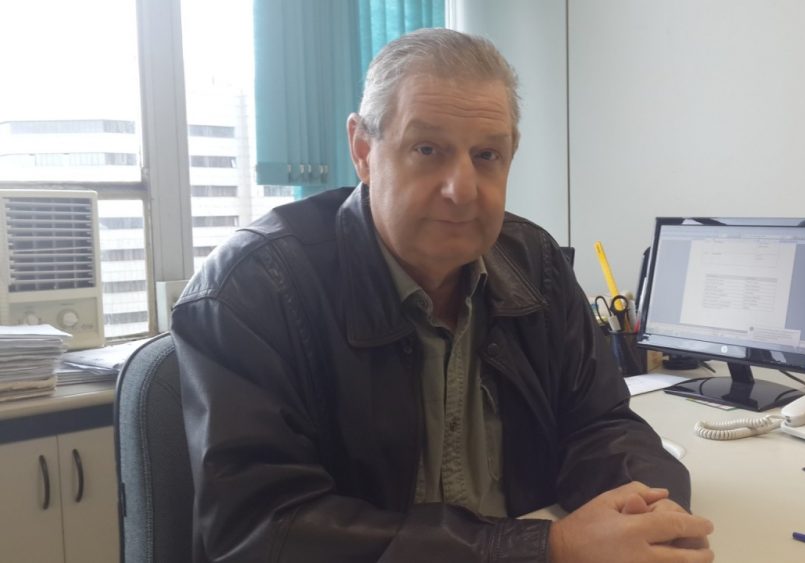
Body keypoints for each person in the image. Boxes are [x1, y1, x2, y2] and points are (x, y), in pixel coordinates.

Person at [173, 28, 713, 562]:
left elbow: (601, 426)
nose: (462, 189)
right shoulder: (254, 290)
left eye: (486, 155)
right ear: (363, 150)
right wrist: (547, 549)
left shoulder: (536, 264)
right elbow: (266, 531)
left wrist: (650, 512)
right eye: (427, 149)